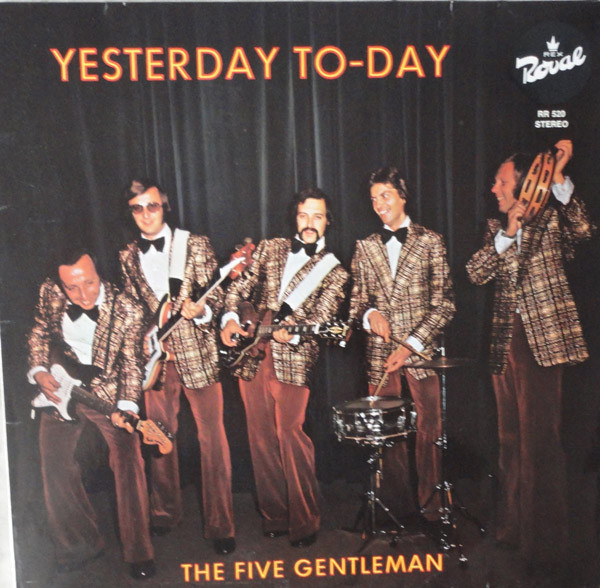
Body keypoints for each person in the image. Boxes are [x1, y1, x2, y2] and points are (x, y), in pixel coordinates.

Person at [466, 139, 592, 567]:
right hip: (504, 344)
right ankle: (513, 530)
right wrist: (508, 233)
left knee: (540, 444)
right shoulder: (496, 228)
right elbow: (475, 272)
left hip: (542, 342)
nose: (494, 189)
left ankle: (546, 549)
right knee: (509, 442)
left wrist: (556, 175)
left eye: (501, 182)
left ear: (523, 185)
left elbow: (583, 229)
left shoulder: (553, 220)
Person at [220, 188, 349, 547]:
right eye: (304, 215)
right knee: (260, 437)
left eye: (318, 216)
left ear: (327, 221)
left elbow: (323, 316)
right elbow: (239, 288)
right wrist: (230, 318)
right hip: (252, 355)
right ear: (295, 216)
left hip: (294, 359)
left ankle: (305, 520)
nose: (310, 223)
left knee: (290, 434)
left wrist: (290, 332)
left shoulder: (335, 271)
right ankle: (274, 515)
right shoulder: (270, 248)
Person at [119, 178, 235, 555]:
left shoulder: (194, 244)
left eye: (152, 206)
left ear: (165, 207)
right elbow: (131, 310)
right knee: (159, 436)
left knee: (212, 439)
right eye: (137, 208)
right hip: (156, 361)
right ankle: (165, 511)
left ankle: (221, 525)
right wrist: (143, 339)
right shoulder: (126, 256)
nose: (145, 215)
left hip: (198, 354)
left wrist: (201, 312)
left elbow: (217, 298)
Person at [27, 248, 155, 579]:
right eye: (72, 287)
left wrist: (127, 407)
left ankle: (139, 552)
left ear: (100, 274)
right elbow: (40, 331)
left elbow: (132, 364)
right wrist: (39, 370)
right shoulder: (49, 292)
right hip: (61, 388)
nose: (83, 295)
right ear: (60, 284)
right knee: (53, 462)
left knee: (128, 463)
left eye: (90, 283)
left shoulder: (128, 308)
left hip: (110, 394)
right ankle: (78, 545)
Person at [348, 166, 455, 523]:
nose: (379, 204)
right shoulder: (364, 246)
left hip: (421, 354)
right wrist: (370, 314)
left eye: (386, 196)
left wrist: (409, 345)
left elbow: (445, 305)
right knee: (387, 431)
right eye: (373, 199)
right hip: (379, 357)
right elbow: (356, 302)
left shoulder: (431, 241)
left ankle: (433, 508)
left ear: (403, 196)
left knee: (429, 429)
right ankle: (396, 510)